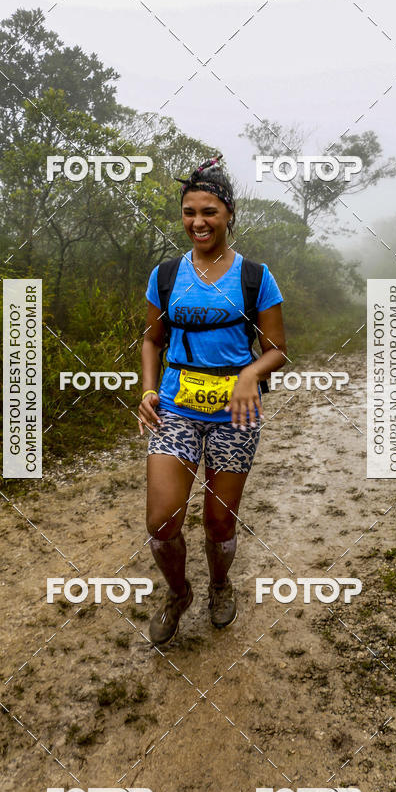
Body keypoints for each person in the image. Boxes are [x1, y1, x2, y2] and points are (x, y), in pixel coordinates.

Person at [138, 154, 287, 645]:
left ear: (229, 215)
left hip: (235, 415)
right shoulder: (165, 275)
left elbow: (277, 351)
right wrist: (148, 388)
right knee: (162, 521)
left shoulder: (255, 277)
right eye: (189, 213)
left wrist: (250, 375)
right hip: (177, 409)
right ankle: (178, 593)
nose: (198, 223)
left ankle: (220, 585)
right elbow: (151, 340)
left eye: (209, 212)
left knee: (220, 518)